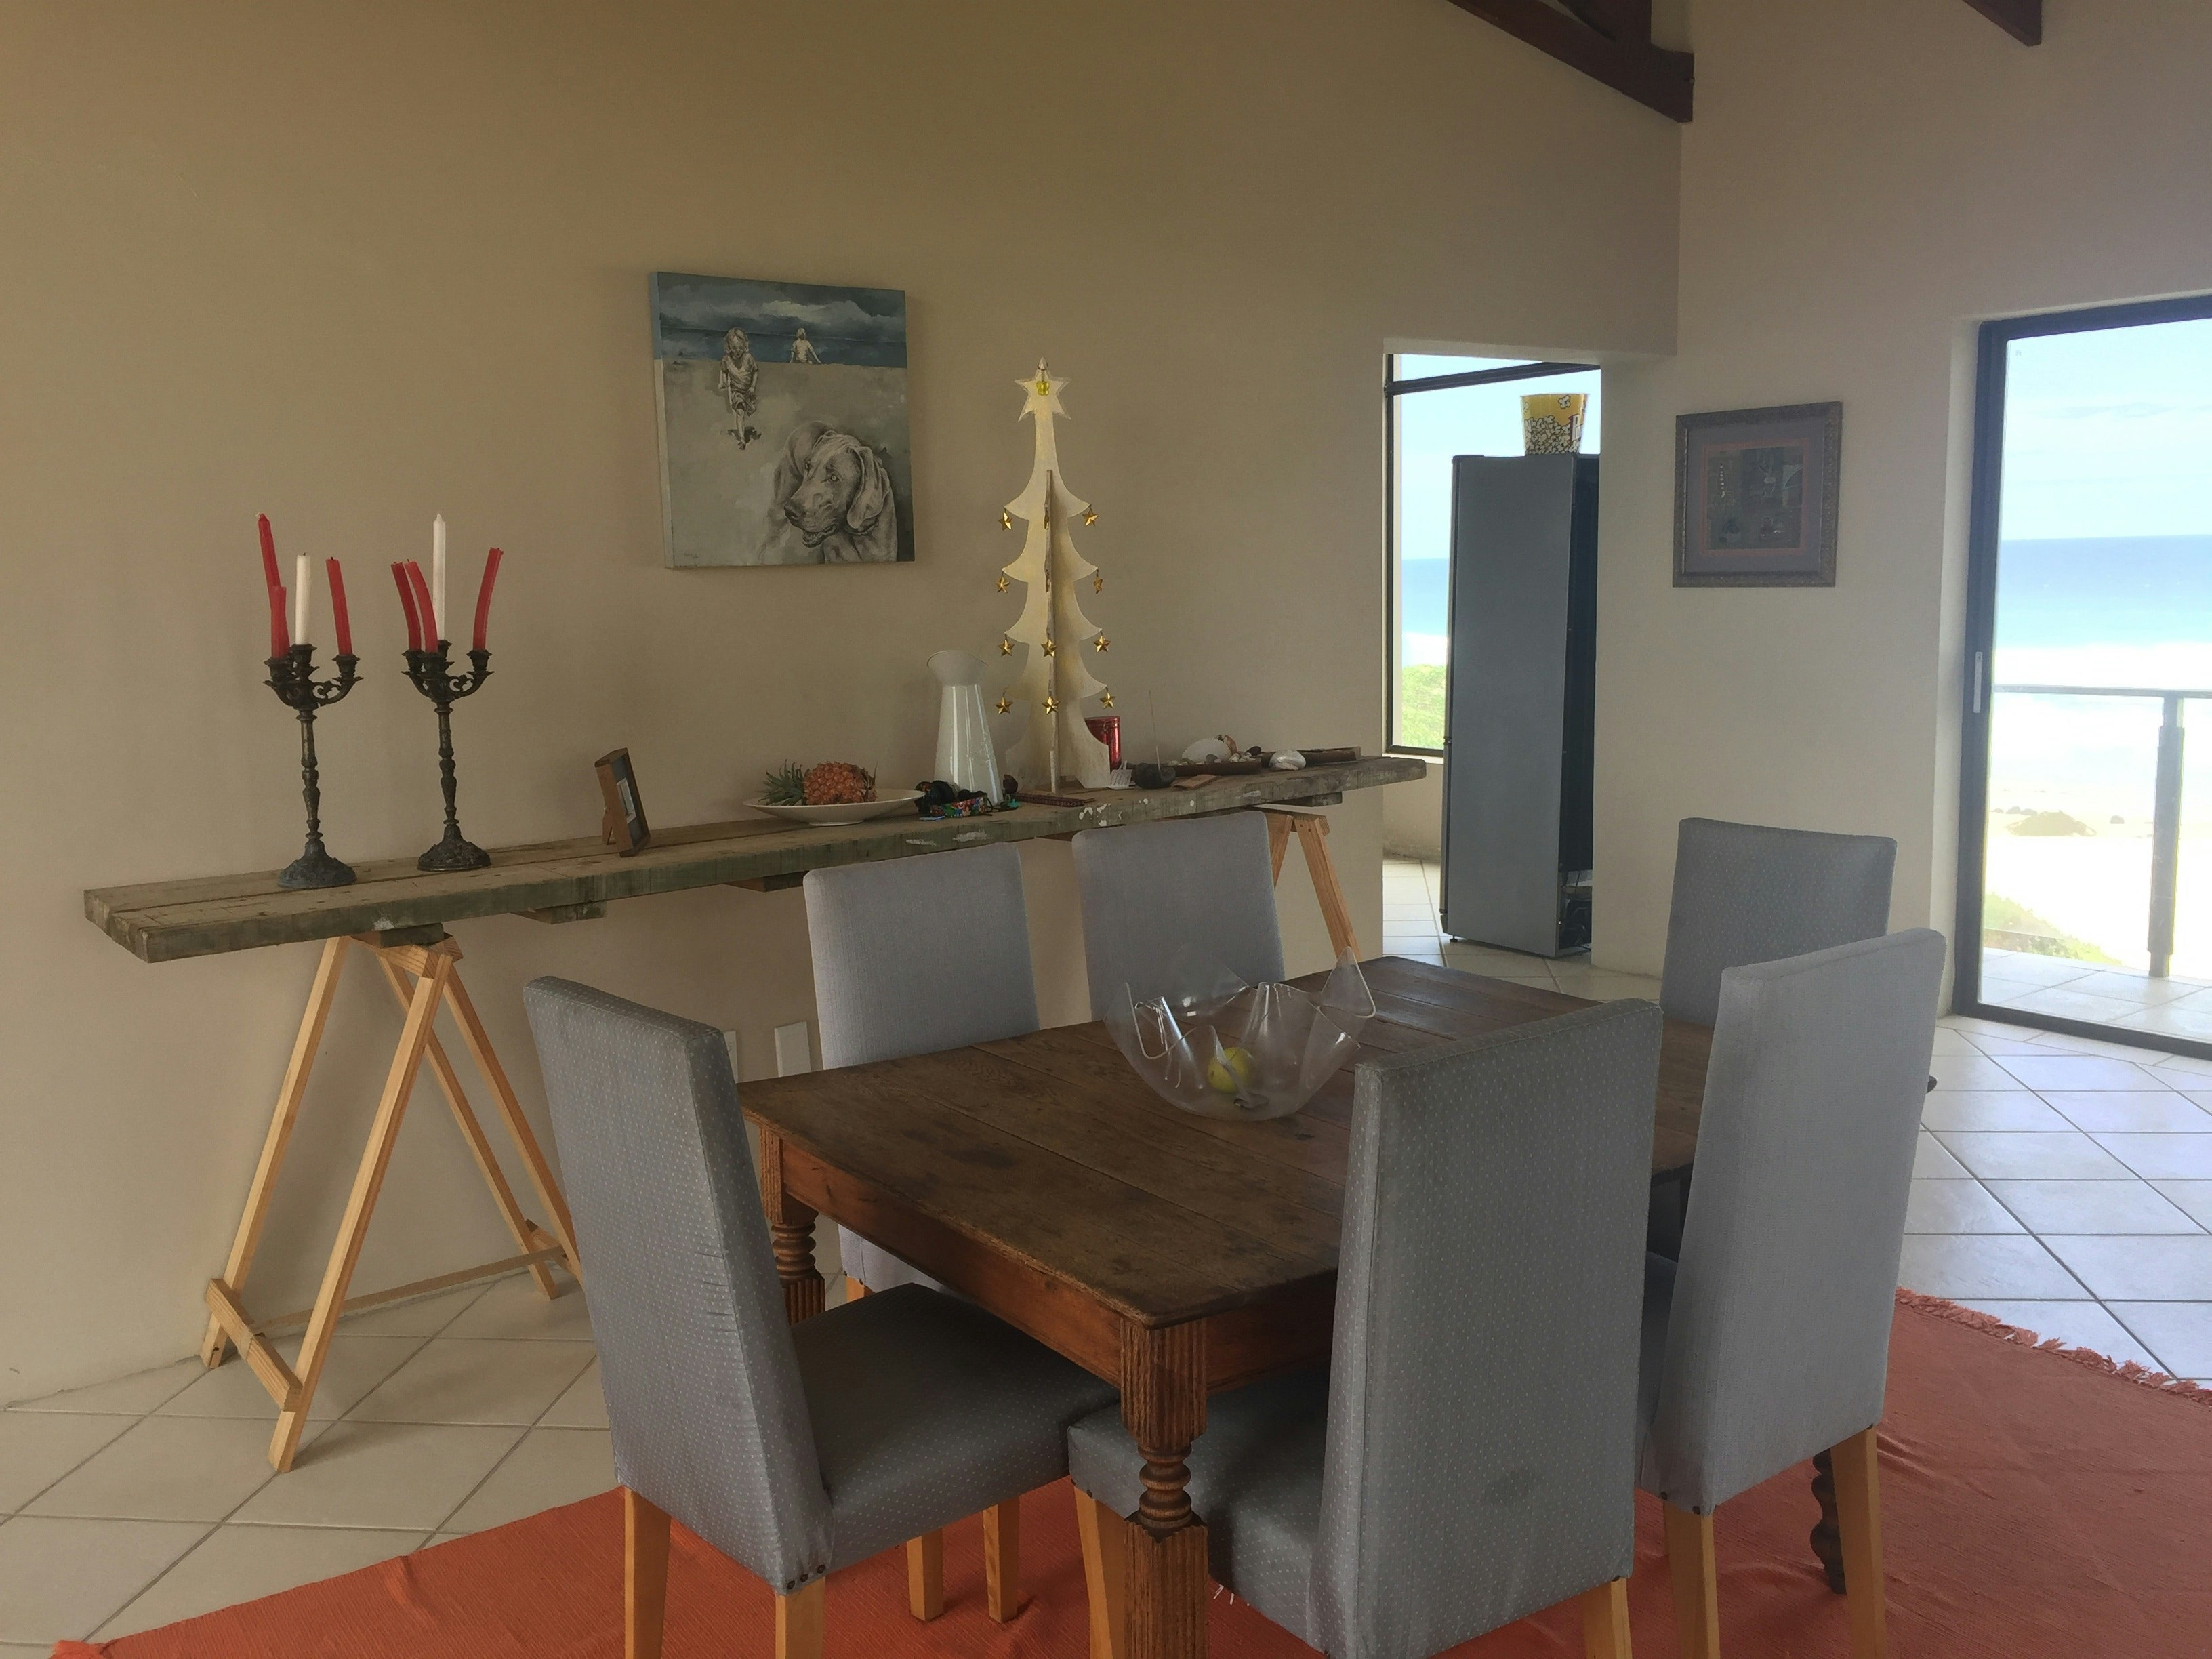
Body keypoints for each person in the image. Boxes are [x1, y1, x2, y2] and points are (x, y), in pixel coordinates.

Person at [716, 327, 760, 446]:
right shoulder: (727, 360)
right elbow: (724, 371)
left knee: (750, 409)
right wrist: (723, 382)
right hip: (736, 392)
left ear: (745, 345)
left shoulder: (748, 358)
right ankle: (742, 439)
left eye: (740, 347)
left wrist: (753, 387)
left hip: (748, 392)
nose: (738, 351)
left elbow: (755, 371)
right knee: (740, 412)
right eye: (734, 348)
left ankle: (744, 433)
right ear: (729, 347)